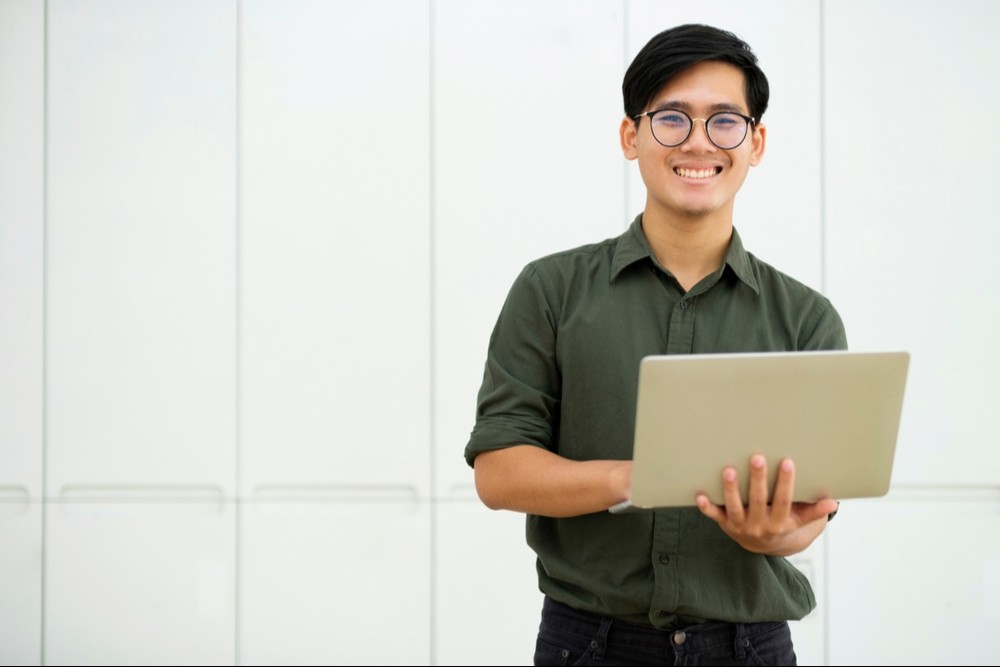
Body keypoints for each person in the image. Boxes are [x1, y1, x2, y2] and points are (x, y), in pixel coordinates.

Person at [464, 23, 847, 666]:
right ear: (630, 135)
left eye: (725, 121)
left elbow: (816, 507)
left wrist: (773, 532)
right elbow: (499, 471)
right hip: (587, 644)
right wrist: (642, 479)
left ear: (756, 142)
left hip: (749, 646)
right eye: (672, 118)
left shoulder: (806, 319)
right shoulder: (551, 290)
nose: (698, 141)